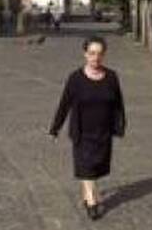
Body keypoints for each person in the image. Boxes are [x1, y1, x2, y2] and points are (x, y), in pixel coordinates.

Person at [49, 36, 126, 220]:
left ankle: (87, 193)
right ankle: (92, 202)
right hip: (82, 132)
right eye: (92, 53)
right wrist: (55, 128)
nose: (95, 58)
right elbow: (64, 104)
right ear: (85, 54)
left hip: (103, 132)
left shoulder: (111, 77)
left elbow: (118, 104)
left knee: (96, 167)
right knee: (86, 166)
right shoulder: (75, 79)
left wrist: (120, 124)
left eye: (99, 54)